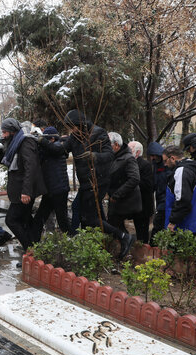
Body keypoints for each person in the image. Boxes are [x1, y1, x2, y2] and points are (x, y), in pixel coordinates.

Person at [40, 110, 135, 258]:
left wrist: (94, 156)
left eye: (74, 127)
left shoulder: (98, 133)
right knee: (87, 212)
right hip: (85, 182)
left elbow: (109, 155)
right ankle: (102, 243)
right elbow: (60, 149)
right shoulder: (75, 137)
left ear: (81, 124)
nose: (72, 131)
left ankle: (123, 236)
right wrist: (42, 141)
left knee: (89, 218)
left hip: (98, 181)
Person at [0, 118, 47, 267]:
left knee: (11, 220)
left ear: (13, 131)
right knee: (26, 221)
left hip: (24, 191)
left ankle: (30, 251)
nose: (3, 135)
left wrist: (26, 192)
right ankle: (35, 253)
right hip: (20, 190)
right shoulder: (15, 143)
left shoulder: (25, 142)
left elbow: (30, 168)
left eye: (5, 132)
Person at [162, 145, 196, 259]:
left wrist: (172, 221)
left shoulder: (181, 171)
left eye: (165, 161)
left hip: (189, 224)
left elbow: (183, 200)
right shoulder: (192, 166)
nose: (165, 164)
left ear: (173, 158)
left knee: (191, 259)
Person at [32, 126, 71, 243]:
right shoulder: (48, 149)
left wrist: (40, 140)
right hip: (50, 191)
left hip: (59, 190)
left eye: (46, 139)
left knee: (62, 220)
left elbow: (53, 149)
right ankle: (32, 245)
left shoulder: (59, 146)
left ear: (53, 139)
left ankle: (72, 243)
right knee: (39, 219)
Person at [106, 133, 141, 257]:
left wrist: (117, 195)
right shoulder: (114, 157)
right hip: (116, 198)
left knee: (113, 224)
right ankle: (124, 248)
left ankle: (126, 245)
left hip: (125, 200)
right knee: (115, 224)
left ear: (116, 145)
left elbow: (134, 179)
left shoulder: (128, 158)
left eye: (107, 145)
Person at [128, 141, 154, 243]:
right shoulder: (131, 163)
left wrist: (132, 182)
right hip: (135, 204)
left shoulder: (145, 165)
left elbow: (148, 185)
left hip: (144, 205)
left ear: (137, 152)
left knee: (142, 232)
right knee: (138, 229)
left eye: (130, 150)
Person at [147, 141, 168, 243]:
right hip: (160, 198)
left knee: (158, 224)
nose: (152, 158)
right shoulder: (156, 165)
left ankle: (153, 245)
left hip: (166, 200)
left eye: (153, 156)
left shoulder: (166, 165)